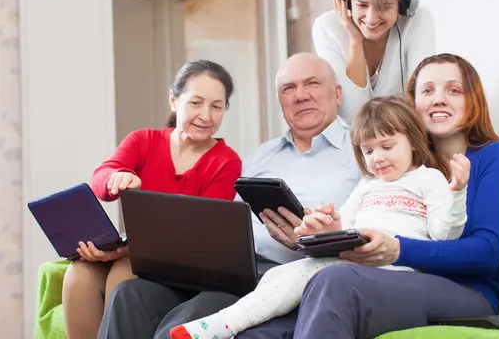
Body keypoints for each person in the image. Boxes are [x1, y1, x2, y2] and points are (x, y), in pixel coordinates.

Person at [233, 53, 499, 339]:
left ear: (472, 99)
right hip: (393, 278)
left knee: (336, 283)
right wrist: (327, 234)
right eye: (427, 90)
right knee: (266, 325)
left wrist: (399, 249)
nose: (439, 98)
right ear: (413, 103)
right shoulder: (396, 162)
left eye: (454, 90)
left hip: (468, 292)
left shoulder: (494, 156)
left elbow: (489, 252)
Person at [96, 53, 363, 339]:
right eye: (288, 88)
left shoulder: (363, 151)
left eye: (312, 84)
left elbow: (379, 220)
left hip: (288, 277)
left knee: (180, 327)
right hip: (230, 270)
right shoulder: (258, 157)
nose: (300, 96)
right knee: (129, 296)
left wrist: (317, 240)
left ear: (337, 93)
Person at [170, 96, 472, 339]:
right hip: (355, 262)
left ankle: (221, 326)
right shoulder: (368, 185)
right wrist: (327, 225)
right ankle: (224, 325)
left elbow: (446, 235)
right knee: (279, 274)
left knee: (305, 275)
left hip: (397, 271)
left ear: (414, 142)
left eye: (387, 146)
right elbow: (345, 224)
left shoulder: (428, 179)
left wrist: (456, 192)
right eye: (367, 151)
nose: (377, 158)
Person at [62, 60, 242, 339]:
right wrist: (116, 178)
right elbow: (101, 178)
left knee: (124, 275)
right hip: (130, 247)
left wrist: (126, 251)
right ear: (174, 100)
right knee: (78, 276)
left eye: (216, 106)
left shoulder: (226, 162)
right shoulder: (143, 140)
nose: (205, 115)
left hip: (175, 263)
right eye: (195, 103)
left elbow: (197, 233)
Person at [312, 0, 436, 123]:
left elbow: (421, 102)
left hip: (407, 141)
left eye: (384, 7)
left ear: (404, 3)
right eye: (362, 5)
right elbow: (354, 115)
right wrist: (355, 40)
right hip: (355, 146)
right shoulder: (327, 27)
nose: (371, 18)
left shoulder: (417, 20)